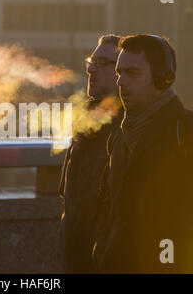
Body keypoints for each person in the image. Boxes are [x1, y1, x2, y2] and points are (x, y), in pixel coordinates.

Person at [92, 34, 193, 273]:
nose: (120, 82)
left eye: (132, 73)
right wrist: (104, 251)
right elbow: (107, 209)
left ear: (164, 78)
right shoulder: (119, 137)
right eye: (119, 73)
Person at [59, 34, 123, 273]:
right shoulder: (87, 123)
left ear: (123, 72)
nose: (91, 70)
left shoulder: (131, 127)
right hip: (76, 258)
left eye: (102, 63)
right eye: (91, 62)